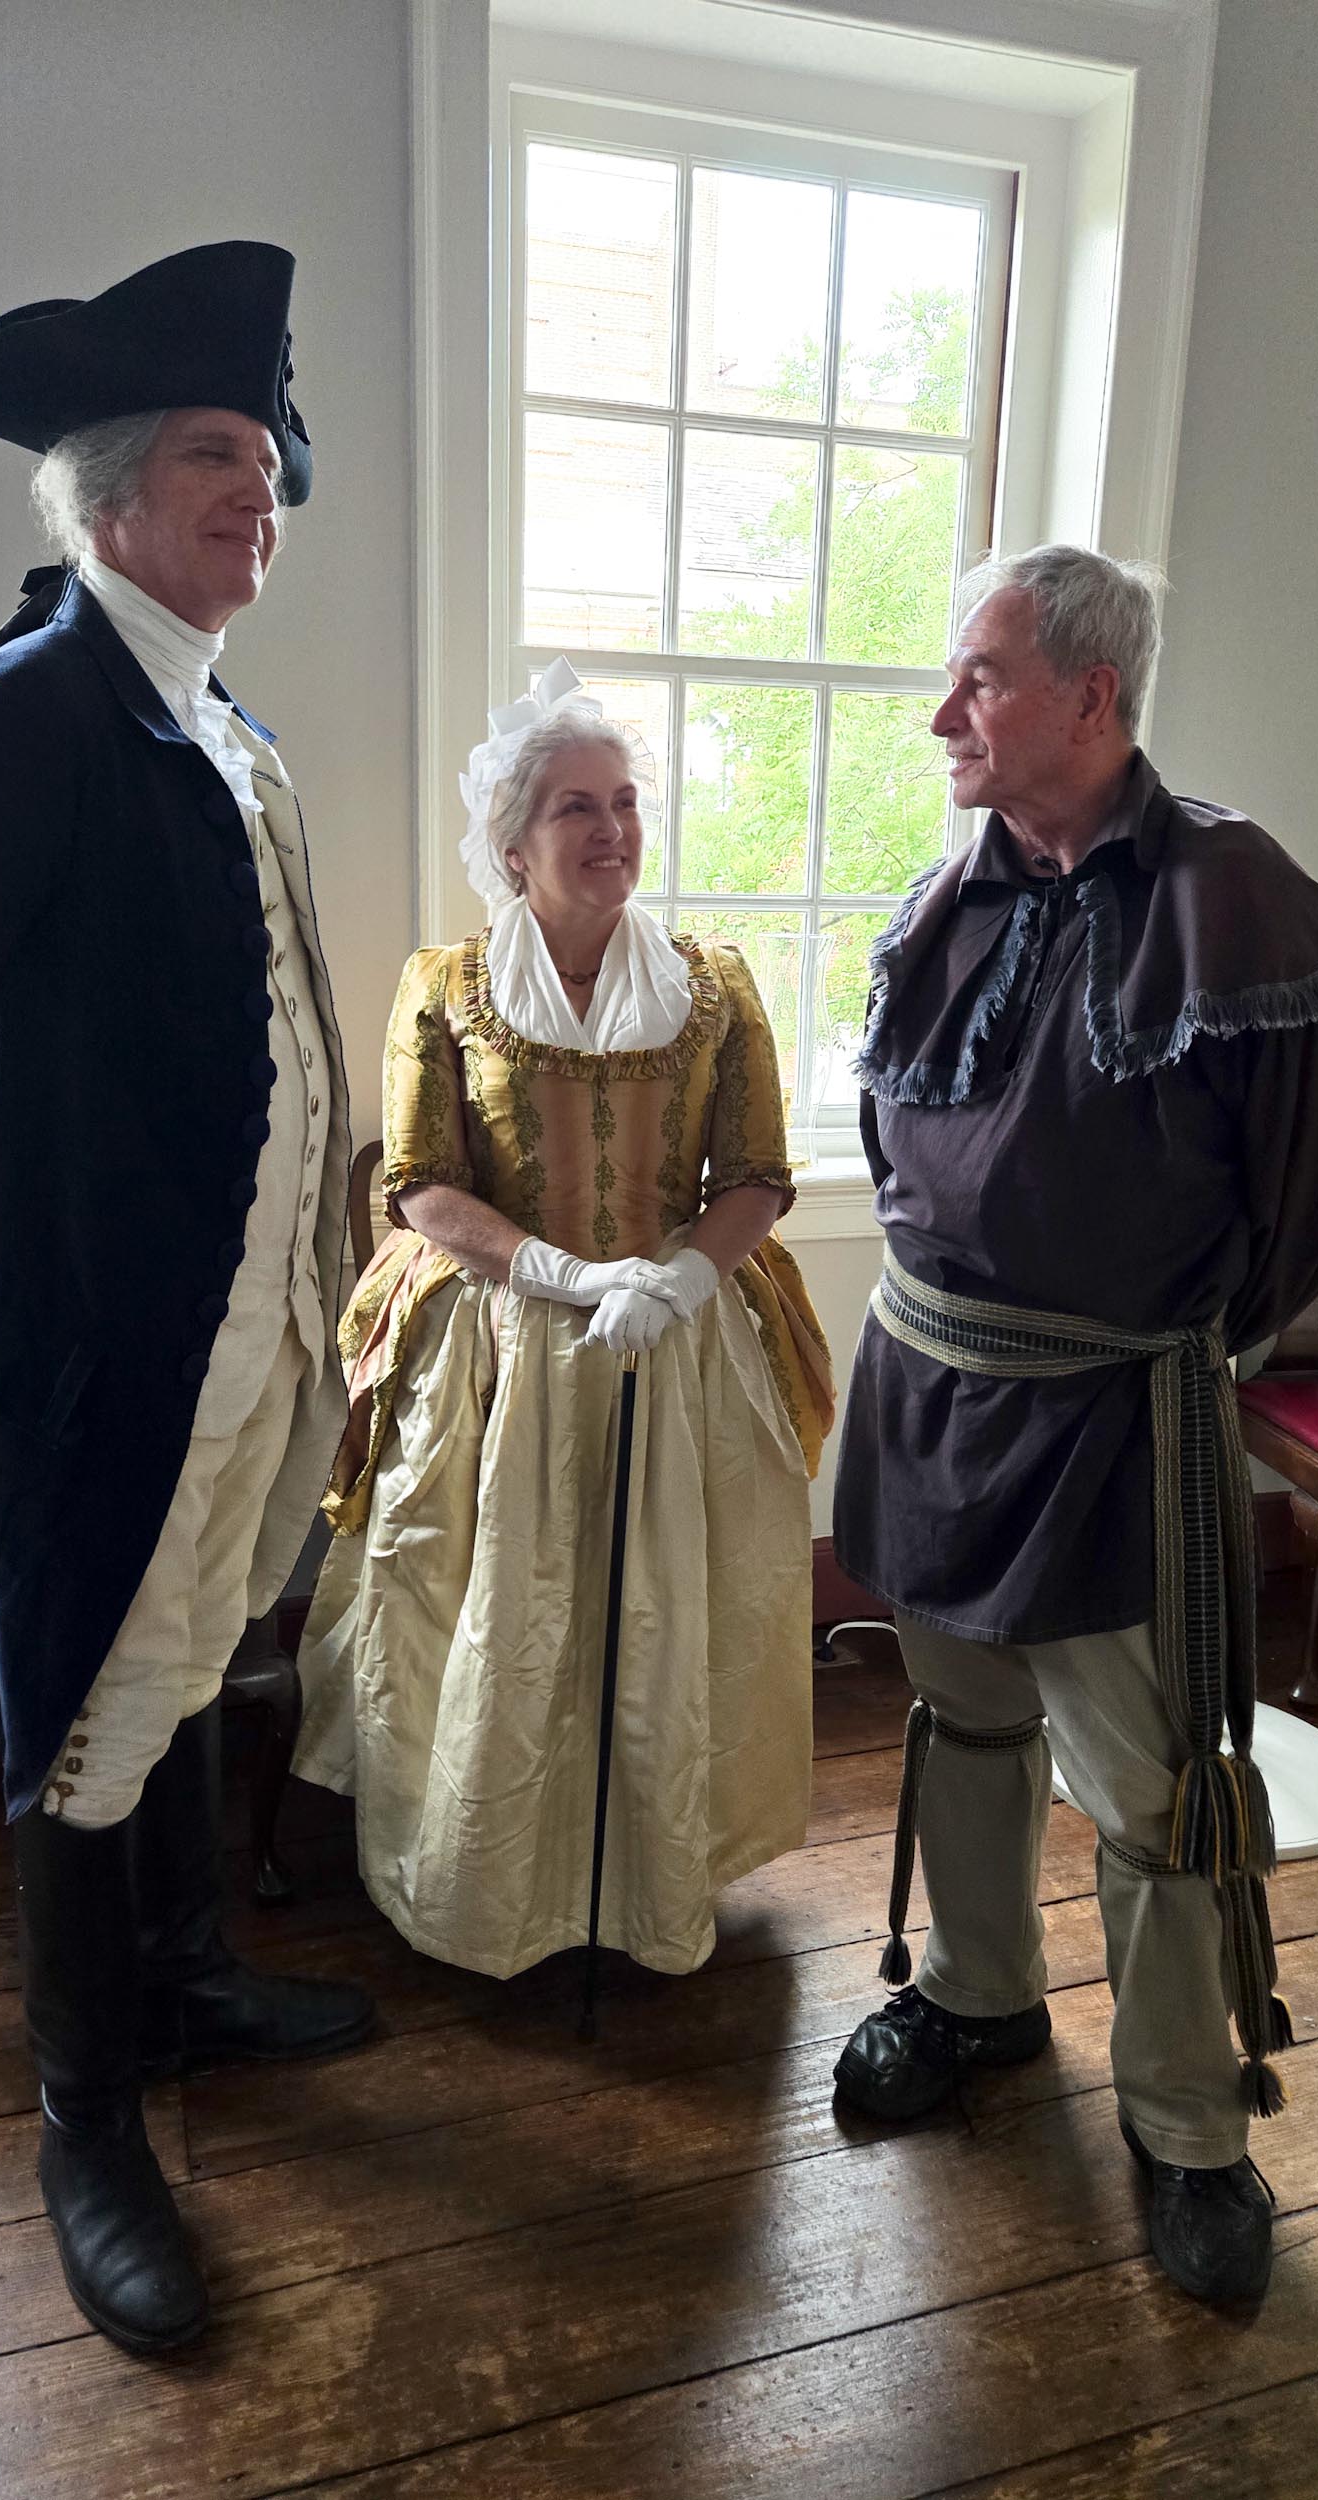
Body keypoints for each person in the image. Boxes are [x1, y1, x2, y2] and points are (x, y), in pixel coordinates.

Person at [0, 243, 374, 2355]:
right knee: (83, 1720)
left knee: (192, 1651)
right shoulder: (25, 717)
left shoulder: (221, 723)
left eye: (267, 458)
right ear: (110, 492)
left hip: (245, 1331)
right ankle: (88, 2119)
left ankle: (186, 1977)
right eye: (215, 455)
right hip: (107, 1355)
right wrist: (26, 1272)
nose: (259, 491)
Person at [829, 545, 1318, 2306]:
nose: (944, 714)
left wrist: (1149, 1342)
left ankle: (1188, 2125)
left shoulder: (1238, 899)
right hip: (930, 1390)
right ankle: (979, 1994)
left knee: (1154, 1786)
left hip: (1112, 1419)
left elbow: (1309, 1196)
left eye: (981, 678)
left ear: (1091, 694)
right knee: (964, 1715)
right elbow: (894, 1133)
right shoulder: (954, 893)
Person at [294, 661, 834, 1983]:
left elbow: (755, 1175)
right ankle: (486, 1877)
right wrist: (562, 1275)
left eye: (626, 802)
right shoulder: (445, 985)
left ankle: (650, 1873)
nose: (611, 830)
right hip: (501, 1338)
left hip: (678, 1335)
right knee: (500, 1604)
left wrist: (678, 1279)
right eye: (576, 808)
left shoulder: (715, 985)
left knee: (664, 1606)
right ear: (513, 844)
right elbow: (420, 1185)